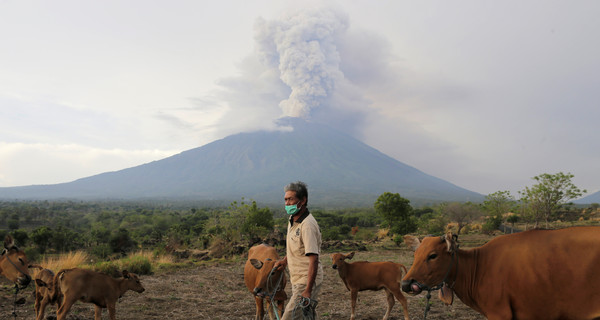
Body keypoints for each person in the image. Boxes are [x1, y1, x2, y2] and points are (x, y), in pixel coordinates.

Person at [274, 181, 323, 320]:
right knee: (308, 316)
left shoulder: (307, 225)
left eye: (291, 199)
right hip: (296, 279)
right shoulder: (292, 219)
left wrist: (308, 290)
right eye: (285, 199)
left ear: (302, 200)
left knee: (289, 316)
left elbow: (314, 259)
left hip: (306, 281)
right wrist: (284, 261)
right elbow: (297, 249)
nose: (287, 203)